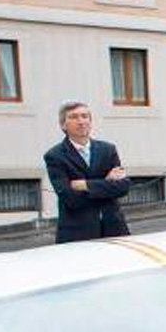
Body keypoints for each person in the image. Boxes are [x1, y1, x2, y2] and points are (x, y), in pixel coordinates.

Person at [43, 101, 131, 243]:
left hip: (115, 230)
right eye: (74, 117)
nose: (81, 121)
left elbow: (123, 187)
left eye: (85, 116)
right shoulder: (55, 156)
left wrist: (85, 185)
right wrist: (106, 184)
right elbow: (70, 198)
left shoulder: (108, 150)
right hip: (77, 234)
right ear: (63, 125)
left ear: (90, 121)